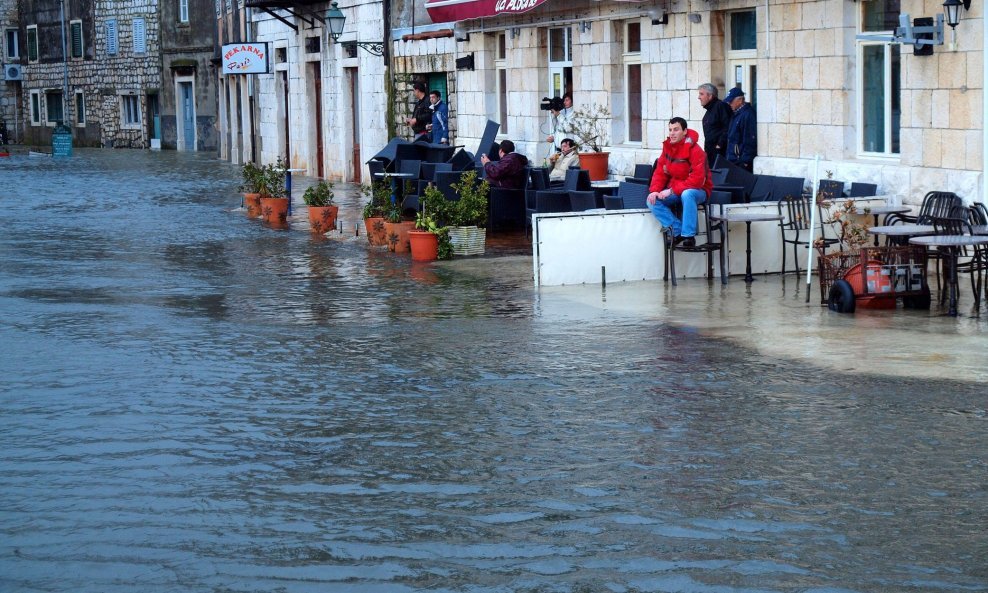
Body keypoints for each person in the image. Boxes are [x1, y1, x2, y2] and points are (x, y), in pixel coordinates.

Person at [646, 117, 712, 247]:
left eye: (676, 130)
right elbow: (660, 172)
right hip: (677, 189)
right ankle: (677, 231)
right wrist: (654, 190)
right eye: (670, 130)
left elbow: (697, 180)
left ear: (685, 131)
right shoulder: (668, 147)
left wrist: (671, 190)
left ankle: (689, 236)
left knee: (687, 194)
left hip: (699, 190)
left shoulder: (696, 151)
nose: (672, 133)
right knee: (652, 201)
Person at [697, 83, 733, 168]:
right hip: (711, 154)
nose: (699, 97)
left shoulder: (720, 106)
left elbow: (728, 127)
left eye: (701, 94)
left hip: (720, 154)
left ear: (710, 96)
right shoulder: (710, 110)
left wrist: (719, 145)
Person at [725, 87, 757, 172]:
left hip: (740, 161)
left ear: (740, 100)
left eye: (731, 101)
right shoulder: (736, 113)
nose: (729, 103)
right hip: (733, 159)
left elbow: (750, 138)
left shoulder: (748, 114)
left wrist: (745, 161)